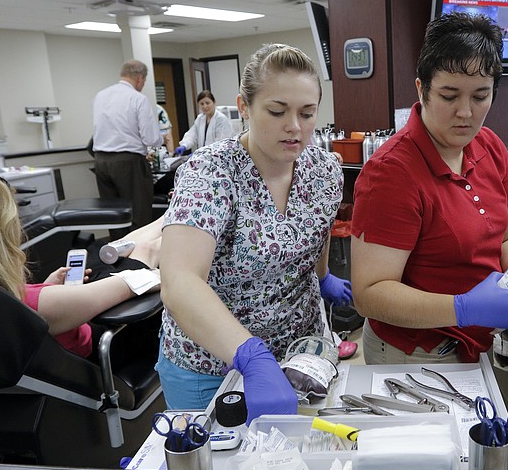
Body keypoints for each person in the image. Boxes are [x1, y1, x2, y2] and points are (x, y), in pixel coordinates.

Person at [157, 43, 348, 419]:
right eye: (277, 111)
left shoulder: (325, 169)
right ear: (244, 107)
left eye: (307, 114)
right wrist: (249, 353)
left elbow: (319, 227)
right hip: (211, 363)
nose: (294, 126)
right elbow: (179, 281)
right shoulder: (211, 172)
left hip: (300, 354)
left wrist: (323, 276)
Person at [351, 13, 508, 365]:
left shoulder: (490, 147)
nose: (465, 112)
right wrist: (462, 308)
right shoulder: (392, 173)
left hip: (483, 337)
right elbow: (370, 294)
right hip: (419, 350)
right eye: (449, 95)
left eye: (480, 96)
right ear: (422, 89)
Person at [0, 173, 161, 360]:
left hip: (71, 319)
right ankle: (177, 216)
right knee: (147, 250)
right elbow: (134, 282)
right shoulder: (38, 304)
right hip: (106, 341)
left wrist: (48, 287)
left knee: (116, 249)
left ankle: (172, 215)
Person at [92, 59, 163, 238]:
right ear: (140, 79)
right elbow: (151, 138)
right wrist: (161, 139)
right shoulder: (137, 98)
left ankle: (116, 257)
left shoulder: (101, 95)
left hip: (101, 161)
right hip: (128, 162)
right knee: (139, 213)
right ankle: (139, 258)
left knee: (114, 214)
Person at [173, 90, 234, 156]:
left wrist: (200, 154)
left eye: (207, 103)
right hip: (204, 157)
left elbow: (220, 144)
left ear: (214, 103)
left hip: (217, 157)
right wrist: (184, 145)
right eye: (202, 104)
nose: (205, 106)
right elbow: (192, 135)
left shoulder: (221, 119)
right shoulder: (200, 119)